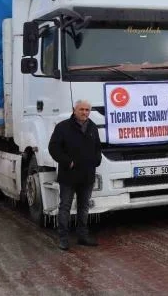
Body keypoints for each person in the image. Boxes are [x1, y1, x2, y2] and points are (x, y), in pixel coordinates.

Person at [48, 99, 102, 250]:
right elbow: (53, 148)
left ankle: (82, 236)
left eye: (87, 110)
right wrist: (68, 162)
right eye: (81, 109)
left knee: (83, 207)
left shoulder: (92, 127)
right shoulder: (62, 127)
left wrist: (96, 161)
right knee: (65, 207)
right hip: (69, 176)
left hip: (87, 175)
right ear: (74, 110)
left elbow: (98, 147)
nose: (84, 112)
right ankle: (63, 239)